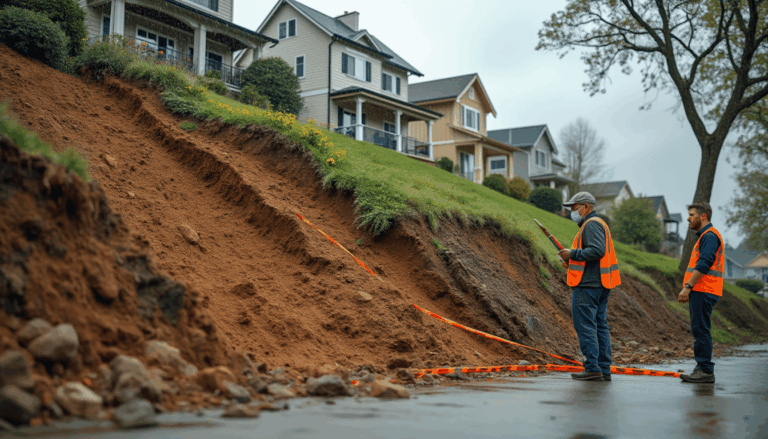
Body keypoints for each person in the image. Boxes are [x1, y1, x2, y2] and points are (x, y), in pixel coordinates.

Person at [558, 192, 621, 381]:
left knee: (585, 325)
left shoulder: (591, 224)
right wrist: (572, 260)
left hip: (588, 285)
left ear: (586, 206)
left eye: (574, 207)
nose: (571, 211)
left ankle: (593, 367)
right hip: (601, 283)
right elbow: (595, 254)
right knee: (600, 325)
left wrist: (573, 254)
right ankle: (603, 369)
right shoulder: (599, 223)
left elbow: (596, 250)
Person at [678, 202, 723, 384]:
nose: (688, 218)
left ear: (703, 216)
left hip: (703, 289)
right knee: (700, 329)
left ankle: (705, 370)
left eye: (692, 215)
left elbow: (704, 263)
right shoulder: (706, 236)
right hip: (703, 289)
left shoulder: (709, 236)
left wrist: (688, 286)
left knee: (701, 330)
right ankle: (702, 368)